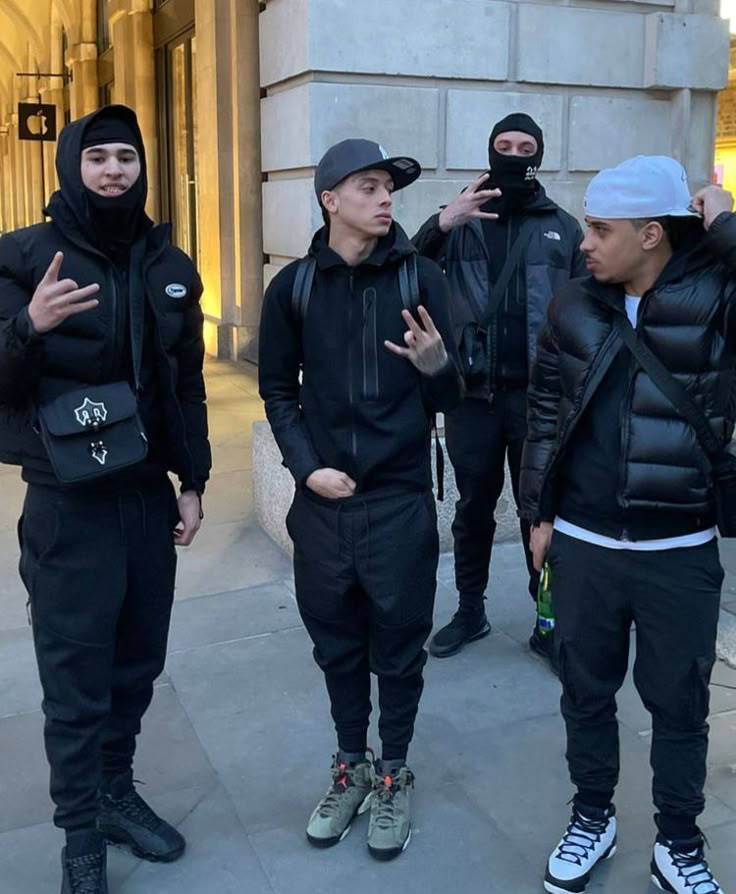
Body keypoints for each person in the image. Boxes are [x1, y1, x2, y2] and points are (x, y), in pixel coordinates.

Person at [0, 105, 210, 894]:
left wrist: (192, 483)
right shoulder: (23, 257)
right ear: (73, 167)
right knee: (75, 673)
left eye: (126, 156)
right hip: (66, 504)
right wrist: (28, 326)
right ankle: (79, 833)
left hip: (144, 499)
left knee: (135, 666)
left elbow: (183, 383)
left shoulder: (169, 261)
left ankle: (116, 793)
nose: (115, 169)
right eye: (99, 158)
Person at [520, 155, 731, 894]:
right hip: (583, 544)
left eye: (600, 230)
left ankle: (678, 840)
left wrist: (726, 224)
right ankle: (592, 816)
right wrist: (536, 516)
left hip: (679, 546)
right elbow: (544, 413)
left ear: (651, 234)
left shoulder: (716, 297)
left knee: (680, 703)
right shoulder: (573, 305)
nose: (584, 242)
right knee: (584, 691)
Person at [259, 138, 463, 860]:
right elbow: (278, 389)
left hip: (399, 501)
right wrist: (307, 468)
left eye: (388, 189)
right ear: (329, 198)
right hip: (322, 509)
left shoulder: (423, 279)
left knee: (399, 651)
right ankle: (351, 764)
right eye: (369, 187)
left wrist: (439, 367)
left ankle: (395, 771)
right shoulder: (293, 289)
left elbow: (454, 391)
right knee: (337, 647)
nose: (384, 200)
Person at [413, 112, 585, 667]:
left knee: (543, 513)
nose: (513, 153)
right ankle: (470, 610)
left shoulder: (561, 226)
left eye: (525, 145)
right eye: (503, 145)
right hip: (473, 397)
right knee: (474, 509)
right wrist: (441, 221)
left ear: (539, 154)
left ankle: (548, 621)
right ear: (489, 150)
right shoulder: (462, 221)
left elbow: (587, 311)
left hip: (540, 402)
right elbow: (403, 274)